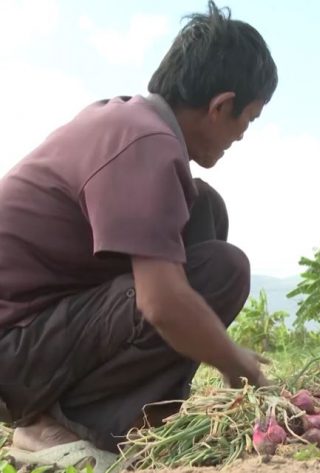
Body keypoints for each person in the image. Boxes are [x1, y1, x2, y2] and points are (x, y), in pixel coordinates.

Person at [0, 2, 277, 470]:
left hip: (35, 333)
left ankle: (119, 419)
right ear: (221, 106)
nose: (242, 136)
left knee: (201, 209)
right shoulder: (143, 142)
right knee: (223, 270)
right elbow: (162, 303)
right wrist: (238, 365)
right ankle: (57, 426)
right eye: (247, 119)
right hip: (14, 351)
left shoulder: (129, 122)